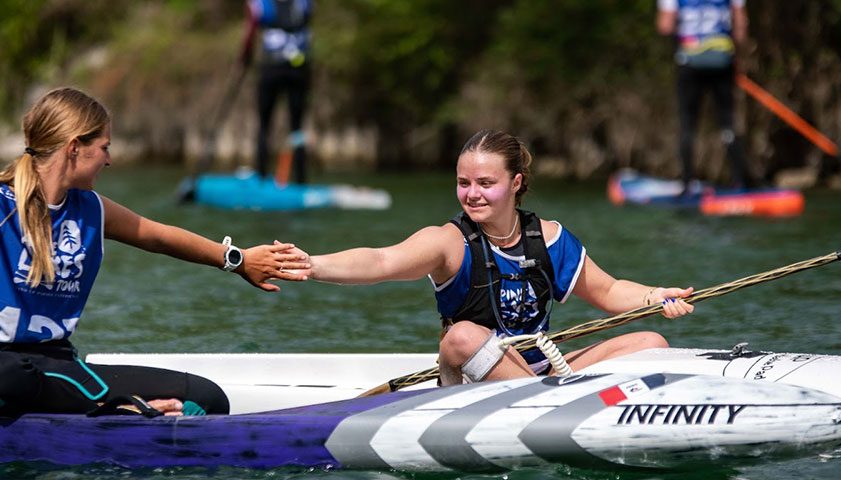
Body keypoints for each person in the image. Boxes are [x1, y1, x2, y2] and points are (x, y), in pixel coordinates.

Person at [0, 87, 309, 416]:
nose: (109, 160)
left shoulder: (92, 209)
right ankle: (117, 410)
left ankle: (109, 410)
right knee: (4, 378)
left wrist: (237, 261)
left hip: (59, 367)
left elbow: (159, 236)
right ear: (75, 147)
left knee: (208, 397)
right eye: (104, 147)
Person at [294, 130, 694, 386]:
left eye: (486, 183)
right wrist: (311, 265)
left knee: (649, 339)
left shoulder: (550, 239)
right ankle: (551, 403)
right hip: (470, 381)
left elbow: (608, 290)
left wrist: (656, 297)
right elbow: (381, 261)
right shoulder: (448, 243)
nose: (472, 194)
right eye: (463, 183)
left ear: (515, 183)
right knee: (463, 335)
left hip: (543, 376)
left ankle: (555, 399)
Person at [657, 0, 753, 196]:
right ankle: (740, 181)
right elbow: (741, 24)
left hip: (690, 63)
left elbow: (665, 26)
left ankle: (687, 184)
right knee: (727, 123)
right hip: (723, 62)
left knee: (688, 125)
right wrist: (738, 58)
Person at [239, 0, 312, 184]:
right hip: (298, 69)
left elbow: (250, 31)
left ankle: (262, 176)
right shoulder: (302, 3)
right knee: (297, 125)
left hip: (272, 68)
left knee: (265, 124)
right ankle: (300, 179)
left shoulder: (261, 4)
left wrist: (245, 57)